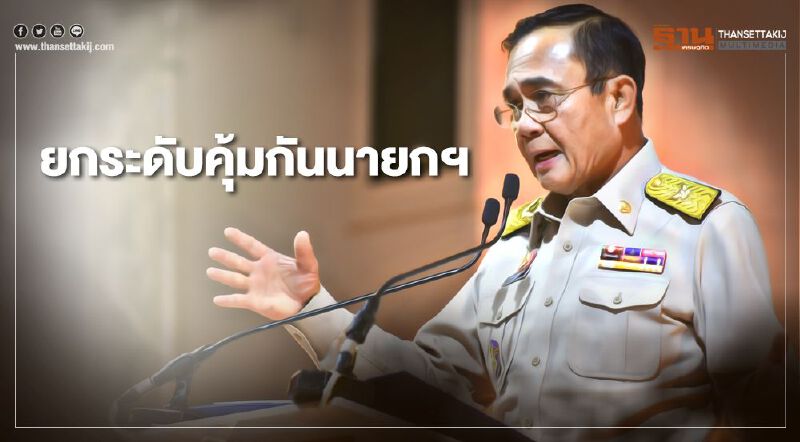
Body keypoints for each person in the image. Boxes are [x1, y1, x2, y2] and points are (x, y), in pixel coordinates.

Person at [206, 4, 784, 440]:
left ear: (619, 99)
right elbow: (428, 378)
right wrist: (311, 307)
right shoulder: (514, 245)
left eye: (545, 97)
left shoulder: (707, 229)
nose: (524, 125)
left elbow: (766, 413)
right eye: (514, 106)